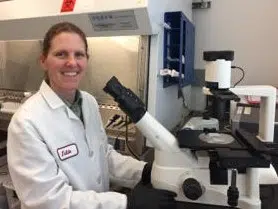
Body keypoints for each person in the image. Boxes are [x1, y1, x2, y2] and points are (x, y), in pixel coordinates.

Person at [7, 22, 176, 209]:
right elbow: (48, 201)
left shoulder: (88, 102)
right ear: (43, 60)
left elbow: (102, 156)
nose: (72, 62)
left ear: (86, 59)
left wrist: (144, 171)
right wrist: (126, 203)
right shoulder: (27, 122)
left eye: (79, 54)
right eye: (61, 54)